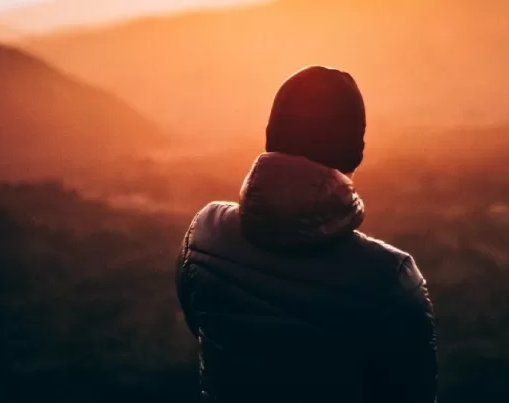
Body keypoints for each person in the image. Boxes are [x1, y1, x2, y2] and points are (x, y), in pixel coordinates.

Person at [175, 65, 437, 403]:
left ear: (271, 136)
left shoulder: (205, 235)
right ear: (355, 152)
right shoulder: (391, 279)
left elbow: (199, 327)